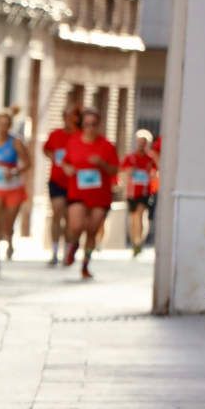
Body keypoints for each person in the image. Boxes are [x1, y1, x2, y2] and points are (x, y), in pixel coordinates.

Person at [61, 107, 119, 279]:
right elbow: (64, 162)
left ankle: (85, 265)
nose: (90, 128)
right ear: (82, 126)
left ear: (98, 125)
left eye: (93, 124)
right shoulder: (73, 141)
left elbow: (115, 170)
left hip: (100, 196)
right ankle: (74, 244)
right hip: (77, 192)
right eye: (86, 124)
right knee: (76, 226)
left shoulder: (106, 146)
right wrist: (68, 168)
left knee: (93, 230)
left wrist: (102, 163)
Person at [0, 109, 30, 276]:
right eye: (0, 124)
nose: (2, 127)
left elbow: (27, 163)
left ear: (10, 125)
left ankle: (9, 239)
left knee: (7, 225)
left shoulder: (16, 142)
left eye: (6, 124)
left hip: (13, 187)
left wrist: (15, 171)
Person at [43, 104, 81, 265]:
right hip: (56, 180)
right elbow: (46, 149)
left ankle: (67, 251)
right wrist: (53, 157)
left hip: (74, 182)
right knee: (56, 213)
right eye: (65, 115)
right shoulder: (55, 134)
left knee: (69, 218)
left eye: (72, 116)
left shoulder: (80, 136)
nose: (68, 119)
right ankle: (54, 252)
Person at [121, 129, 157, 256]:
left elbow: (156, 172)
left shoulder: (151, 158)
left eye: (144, 142)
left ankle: (139, 242)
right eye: (139, 142)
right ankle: (134, 241)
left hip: (145, 192)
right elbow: (123, 173)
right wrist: (129, 173)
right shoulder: (130, 158)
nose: (141, 145)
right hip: (132, 193)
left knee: (140, 215)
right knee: (133, 218)